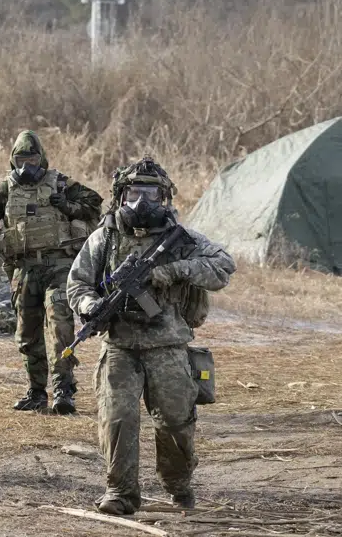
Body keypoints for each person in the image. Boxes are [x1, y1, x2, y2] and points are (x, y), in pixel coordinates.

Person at [67, 157, 235, 515]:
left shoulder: (182, 239)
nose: (142, 203)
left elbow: (223, 266)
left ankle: (178, 484)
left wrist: (175, 270)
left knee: (176, 422)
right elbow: (77, 283)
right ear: (119, 196)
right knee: (117, 419)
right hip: (119, 346)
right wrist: (90, 305)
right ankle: (121, 492)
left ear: (165, 198)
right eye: (133, 193)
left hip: (168, 345)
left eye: (151, 194)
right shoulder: (106, 237)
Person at [0, 130, 102, 414]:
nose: (26, 167)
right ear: (12, 161)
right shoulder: (4, 189)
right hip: (24, 270)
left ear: (41, 159)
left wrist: (67, 206)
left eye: (31, 160)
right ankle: (36, 391)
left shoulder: (59, 183)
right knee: (27, 334)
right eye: (20, 160)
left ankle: (63, 390)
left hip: (59, 267)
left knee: (60, 327)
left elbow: (94, 203)